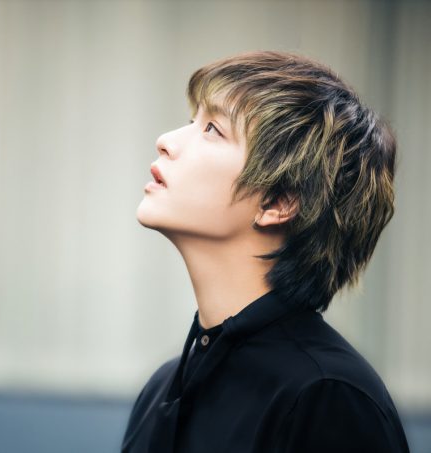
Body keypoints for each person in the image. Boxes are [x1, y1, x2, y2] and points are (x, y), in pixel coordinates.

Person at [123, 50, 410, 453]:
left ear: (278, 202)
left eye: (213, 129)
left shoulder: (328, 396)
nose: (166, 141)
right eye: (192, 122)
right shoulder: (163, 388)